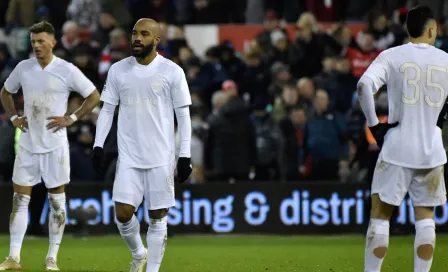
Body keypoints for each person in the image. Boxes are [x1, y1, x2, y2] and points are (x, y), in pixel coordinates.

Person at [92, 18, 192, 272]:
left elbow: (183, 116)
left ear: (156, 40)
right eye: (135, 33)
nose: (137, 38)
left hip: (161, 157)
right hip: (129, 158)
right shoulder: (118, 70)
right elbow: (107, 110)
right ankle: (139, 254)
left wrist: (185, 155)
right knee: (123, 214)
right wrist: (98, 145)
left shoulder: (172, 72)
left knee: (158, 217)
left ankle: (152, 270)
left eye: (144, 34)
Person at [0, 21, 100, 271]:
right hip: (28, 144)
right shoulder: (23, 68)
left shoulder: (66, 70)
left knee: (57, 203)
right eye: (33, 41)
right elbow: (5, 92)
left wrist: (72, 118)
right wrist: (13, 117)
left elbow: (94, 95)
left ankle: (51, 258)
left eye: (41, 41)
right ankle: (14, 258)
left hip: (55, 147)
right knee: (19, 200)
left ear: (53, 42)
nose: (36, 46)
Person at [357, 6, 448, 272]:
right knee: (425, 220)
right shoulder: (446, 59)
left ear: (408, 29)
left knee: (380, 219)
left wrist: (375, 127)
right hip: (432, 150)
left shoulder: (391, 56)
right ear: (432, 30)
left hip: (397, 146)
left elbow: (364, 86)